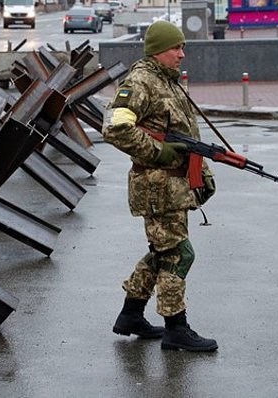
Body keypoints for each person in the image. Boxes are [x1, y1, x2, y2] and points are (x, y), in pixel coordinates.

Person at [103, 20, 218, 352]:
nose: (182, 54)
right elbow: (114, 128)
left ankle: (130, 315)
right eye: (176, 48)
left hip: (172, 186)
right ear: (158, 51)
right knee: (178, 254)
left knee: (163, 252)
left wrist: (202, 173)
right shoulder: (140, 83)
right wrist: (159, 151)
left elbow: (185, 140)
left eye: (183, 47)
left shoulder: (167, 82)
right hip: (156, 188)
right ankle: (176, 328)